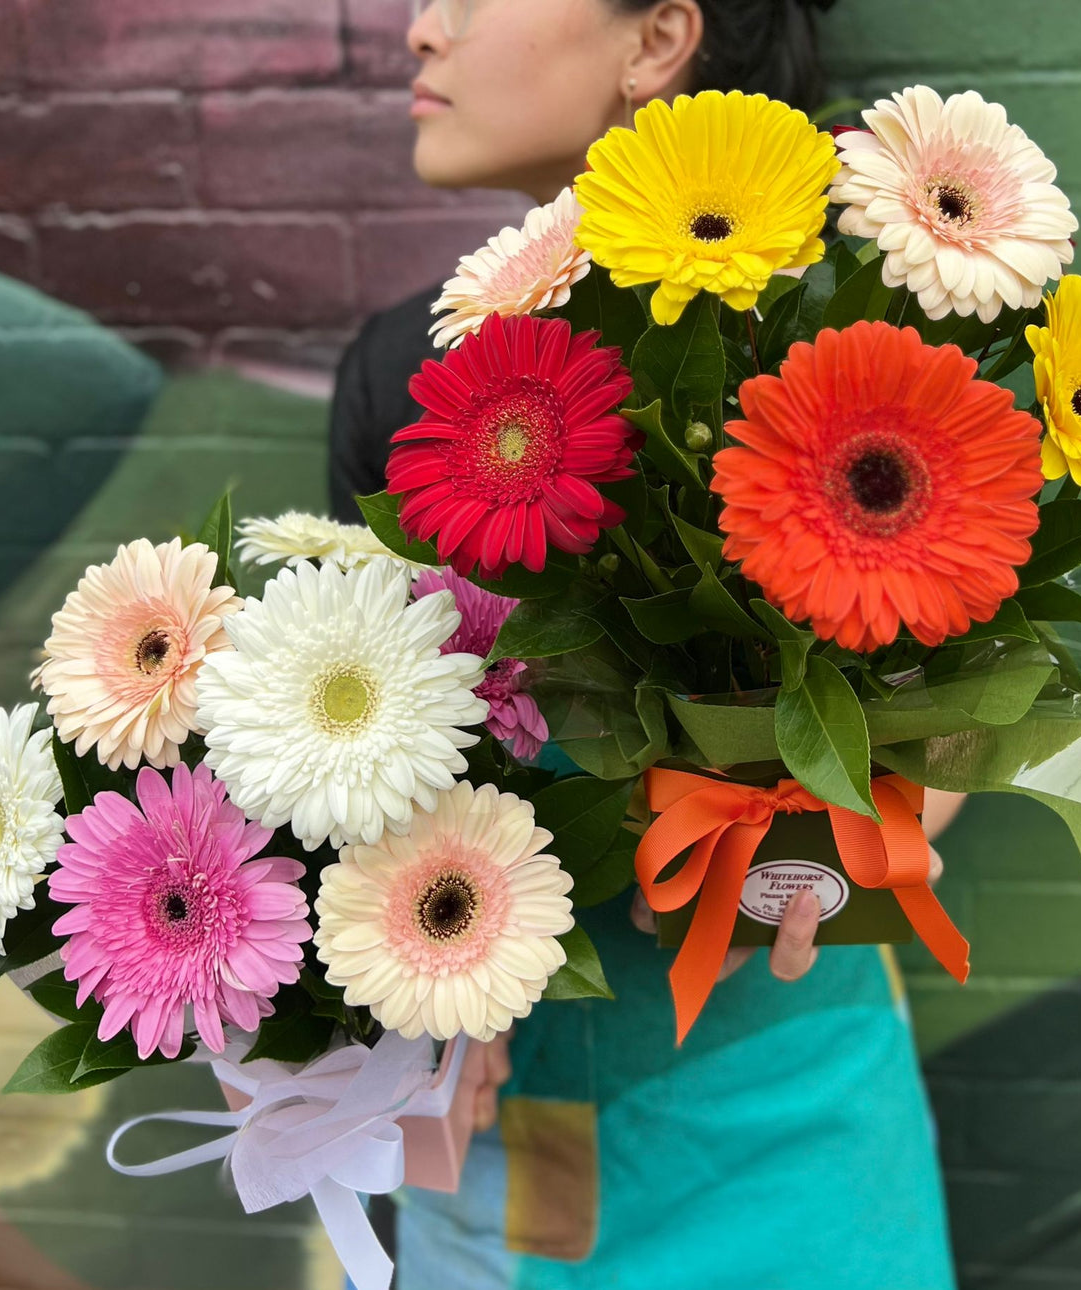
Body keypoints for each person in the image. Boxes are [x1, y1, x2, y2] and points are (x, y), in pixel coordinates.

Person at [329, 2, 962, 1286]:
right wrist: (417, 979)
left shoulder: (850, 327)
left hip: (787, 1098)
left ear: (659, 37)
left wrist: (857, 825)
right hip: (510, 1107)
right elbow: (356, 732)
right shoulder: (408, 375)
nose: (418, 29)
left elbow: (957, 676)